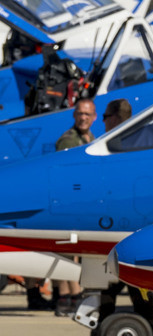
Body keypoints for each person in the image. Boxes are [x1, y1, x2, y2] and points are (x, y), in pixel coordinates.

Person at [50, 98, 97, 314]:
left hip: (82, 204)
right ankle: (65, 297)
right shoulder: (69, 141)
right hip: (68, 205)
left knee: (75, 253)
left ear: (94, 117)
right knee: (66, 254)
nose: (83, 117)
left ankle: (73, 295)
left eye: (87, 114)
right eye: (80, 113)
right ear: (74, 115)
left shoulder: (91, 138)